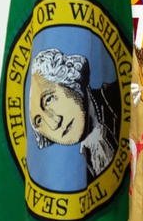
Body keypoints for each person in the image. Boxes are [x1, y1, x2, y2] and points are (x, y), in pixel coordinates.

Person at [29, 48, 120, 180]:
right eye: (38, 121)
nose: (55, 123)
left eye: (49, 100)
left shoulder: (121, 98)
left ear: (68, 80)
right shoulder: (70, 180)